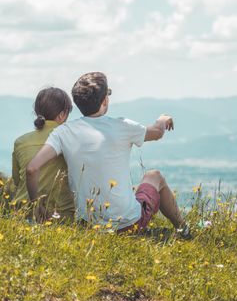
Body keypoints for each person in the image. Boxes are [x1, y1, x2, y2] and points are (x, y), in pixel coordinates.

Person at [26, 72, 189, 235]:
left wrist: (37, 205)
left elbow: (32, 168)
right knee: (155, 176)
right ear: (104, 100)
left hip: (89, 226)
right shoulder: (123, 125)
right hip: (129, 225)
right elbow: (157, 132)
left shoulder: (63, 132)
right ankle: (183, 229)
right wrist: (163, 118)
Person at [12, 87, 75, 222]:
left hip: (22, 213)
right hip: (58, 215)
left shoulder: (21, 142)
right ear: (62, 115)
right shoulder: (70, 139)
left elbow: (17, 180)